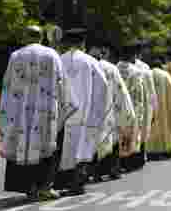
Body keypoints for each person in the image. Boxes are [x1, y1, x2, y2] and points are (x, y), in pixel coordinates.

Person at [0, 25, 74, 202]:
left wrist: (6, 109)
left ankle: (29, 187)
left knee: (23, 146)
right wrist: (66, 104)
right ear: (41, 38)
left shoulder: (16, 56)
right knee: (48, 147)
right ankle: (45, 187)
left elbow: (8, 84)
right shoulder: (52, 55)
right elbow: (61, 81)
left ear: (26, 37)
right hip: (46, 110)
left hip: (20, 111)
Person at [55, 28, 107, 195]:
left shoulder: (58, 60)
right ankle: (77, 182)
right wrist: (98, 110)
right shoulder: (91, 61)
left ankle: (60, 182)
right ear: (83, 43)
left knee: (63, 149)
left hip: (62, 113)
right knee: (82, 149)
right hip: (84, 113)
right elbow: (102, 87)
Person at [93, 45, 135, 181]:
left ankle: (96, 172)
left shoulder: (90, 65)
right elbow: (120, 89)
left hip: (92, 110)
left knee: (95, 141)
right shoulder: (111, 68)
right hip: (110, 108)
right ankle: (114, 170)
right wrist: (127, 110)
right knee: (113, 140)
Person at [116, 41, 150, 172]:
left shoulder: (115, 68)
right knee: (132, 135)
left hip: (117, 108)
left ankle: (120, 162)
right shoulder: (136, 72)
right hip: (132, 110)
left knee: (119, 136)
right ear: (133, 55)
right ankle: (131, 162)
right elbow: (139, 96)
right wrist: (141, 115)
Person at [147, 60, 171, 158]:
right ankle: (162, 149)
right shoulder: (166, 76)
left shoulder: (147, 74)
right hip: (164, 112)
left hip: (151, 112)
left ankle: (150, 149)